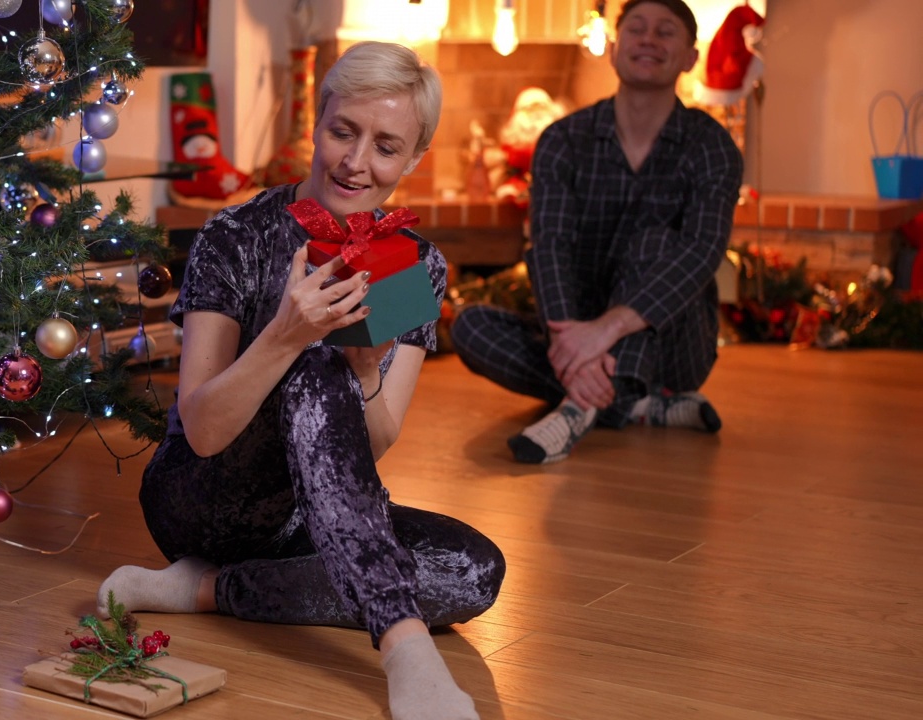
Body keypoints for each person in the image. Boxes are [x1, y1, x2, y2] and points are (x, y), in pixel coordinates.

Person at [98, 41, 503, 720]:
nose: (356, 161)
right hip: (202, 496)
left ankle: (206, 591)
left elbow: (371, 446)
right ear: (319, 121)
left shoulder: (411, 267)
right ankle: (405, 649)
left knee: (474, 570)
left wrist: (367, 372)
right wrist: (287, 334)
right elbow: (199, 430)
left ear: (413, 159)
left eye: (385, 145)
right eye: (343, 131)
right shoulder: (235, 233)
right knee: (312, 361)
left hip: (310, 521)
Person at [452, 0, 743, 464]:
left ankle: (578, 408)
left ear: (690, 57)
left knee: (656, 242)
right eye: (637, 29)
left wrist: (603, 333)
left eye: (666, 32)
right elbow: (550, 246)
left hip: (677, 347)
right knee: (471, 327)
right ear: (612, 47)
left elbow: (702, 252)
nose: (648, 39)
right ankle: (640, 403)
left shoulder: (711, 146)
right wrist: (576, 342)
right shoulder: (563, 140)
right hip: (577, 331)